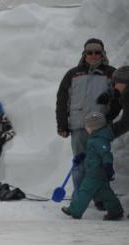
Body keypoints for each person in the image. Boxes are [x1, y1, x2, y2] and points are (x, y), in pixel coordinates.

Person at [55, 38, 115, 208]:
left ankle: (101, 199)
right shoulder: (73, 74)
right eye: (90, 52)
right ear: (84, 54)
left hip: (101, 128)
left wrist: (108, 117)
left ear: (103, 54)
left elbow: (119, 98)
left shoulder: (111, 73)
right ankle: (79, 198)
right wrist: (62, 124)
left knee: (100, 164)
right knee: (80, 164)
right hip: (79, 126)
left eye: (97, 52)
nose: (94, 55)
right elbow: (62, 99)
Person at [61, 112, 123, 220]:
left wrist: (109, 167)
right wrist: (82, 156)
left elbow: (106, 154)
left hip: (94, 173)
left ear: (95, 127)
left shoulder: (99, 140)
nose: (86, 128)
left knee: (84, 191)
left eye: (87, 126)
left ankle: (75, 210)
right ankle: (116, 211)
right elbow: (94, 153)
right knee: (106, 193)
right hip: (98, 173)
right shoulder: (96, 138)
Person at [97, 65, 129, 139]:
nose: (114, 87)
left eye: (115, 83)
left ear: (123, 82)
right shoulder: (124, 93)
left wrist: (106, 134)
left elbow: (126, 123)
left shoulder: (127, 93)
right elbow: (117, 106)